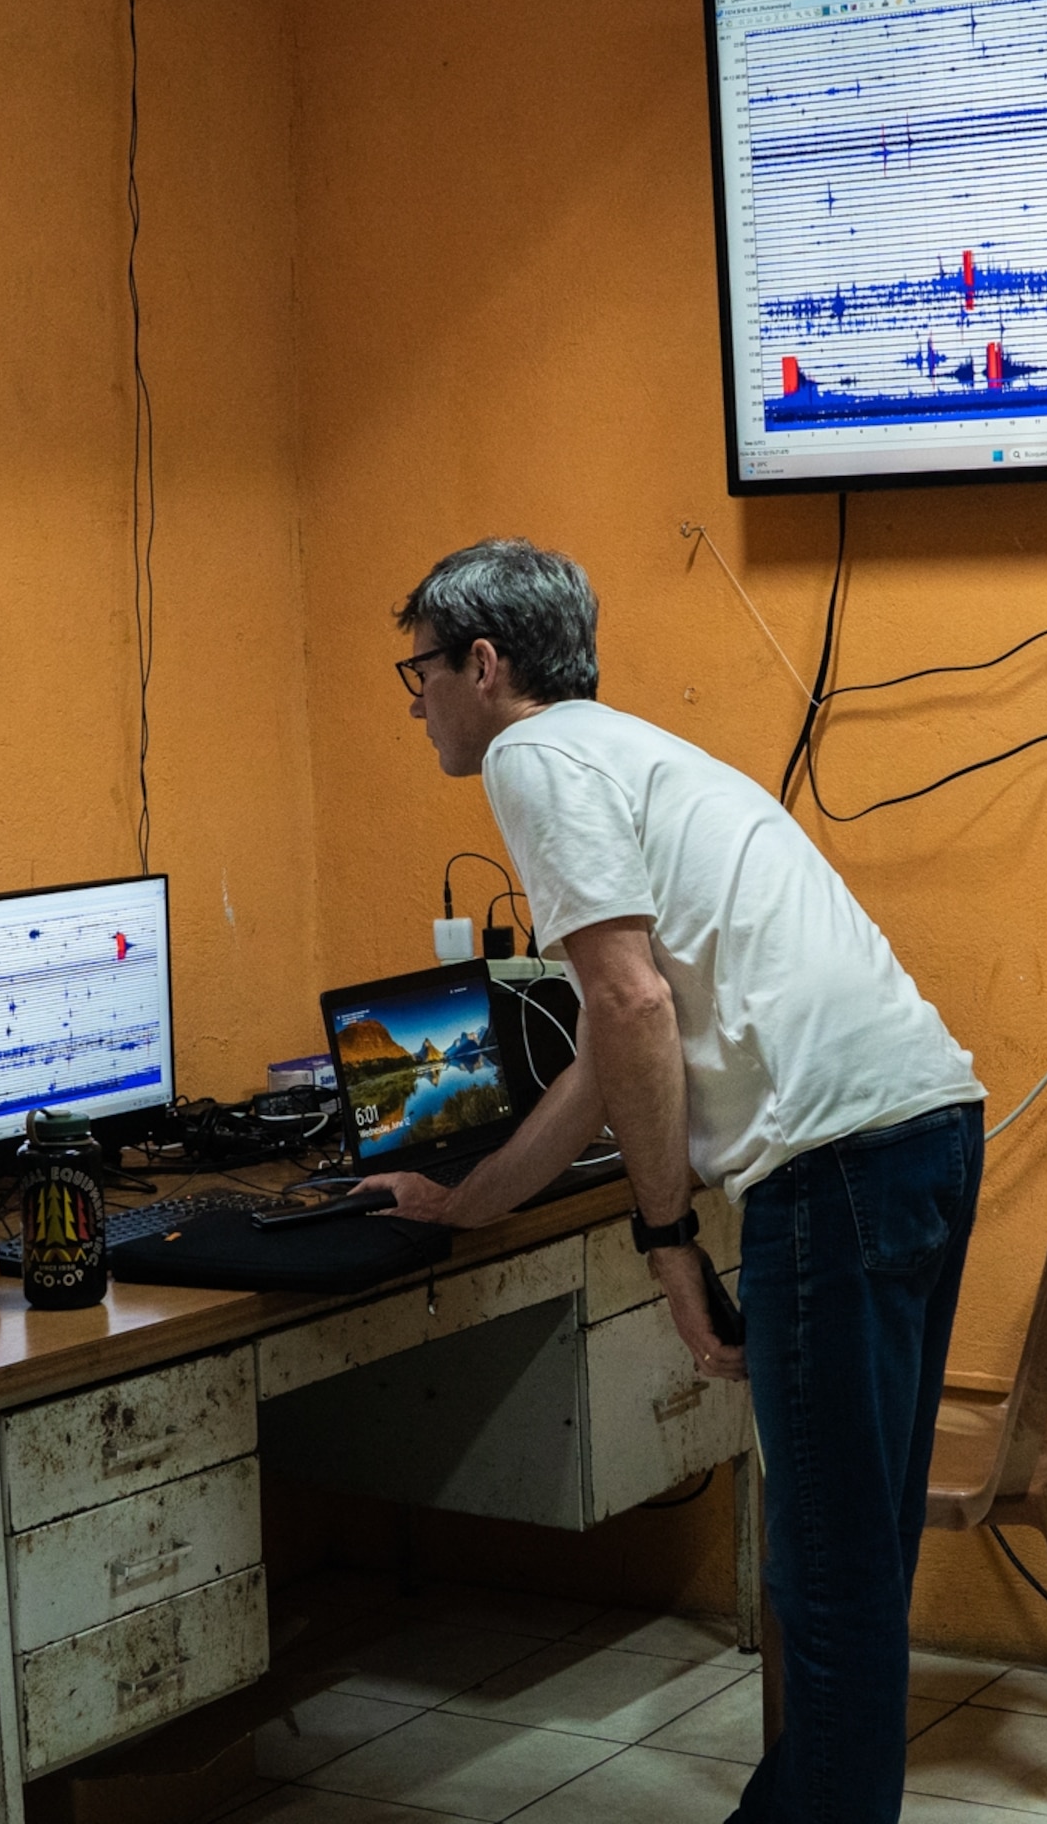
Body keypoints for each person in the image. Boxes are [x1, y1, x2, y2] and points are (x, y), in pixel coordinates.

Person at [356, 538, 985, 1824]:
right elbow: (610, 1039)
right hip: (926, 1126)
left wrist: (664, 1234)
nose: (413, 694)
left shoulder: (532, 755)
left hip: (835, 1167)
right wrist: (472, 1198)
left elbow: (633, 1005)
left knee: (828, 1582)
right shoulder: (637, 749)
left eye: (417, 667)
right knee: (856, 1565)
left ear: (486, 664)